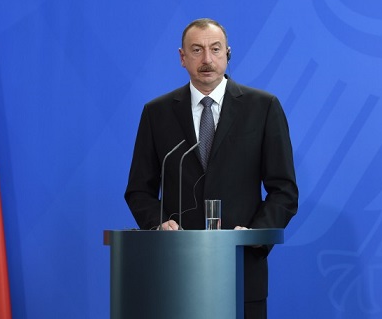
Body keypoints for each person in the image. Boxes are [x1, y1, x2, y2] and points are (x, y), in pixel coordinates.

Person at [125, 18, 299, 319]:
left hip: (241, 267)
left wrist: (254, 235)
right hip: (175, 268)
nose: (207, 59)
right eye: (197, 50)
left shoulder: (263, 107)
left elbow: (284, 190)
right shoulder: (157, 113)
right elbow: (139, 190)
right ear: (182, 57)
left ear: (227, 53)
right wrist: (158, 225)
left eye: (215, 49)